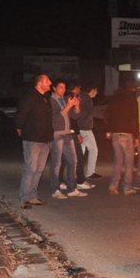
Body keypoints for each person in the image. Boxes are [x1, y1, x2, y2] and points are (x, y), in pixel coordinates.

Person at [15, 74, 53, 209]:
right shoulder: (29, 98)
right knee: (30, 169)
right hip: (32, 139)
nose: (50, 82)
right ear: (39, 83)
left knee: (39, 169)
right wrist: (24, 134)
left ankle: (33, 196)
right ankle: (24, 198)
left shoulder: (45, 99)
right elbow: (19, 118)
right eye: (47, 80)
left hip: (45, 140)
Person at [49, 79, 86, 199]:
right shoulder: (51, 101)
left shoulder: (65, 100)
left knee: (73, 161)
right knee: (56, 163)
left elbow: (75, 116)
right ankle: (56, 189)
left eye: (64, 87)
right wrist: (69, 105)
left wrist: (76, 105)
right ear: (54, 88)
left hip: (68, 134)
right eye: (60, 87)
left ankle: (72, 189)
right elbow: (57, 118)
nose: (63, 89)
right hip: (57, 134)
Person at [105, 83, 139, 195]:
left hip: (115, 133)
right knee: (129, 163)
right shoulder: (132, 101)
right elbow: (134, 119)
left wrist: (108, 130)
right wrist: (136, 136)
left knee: (118, 161)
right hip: (127, 133)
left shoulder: (114, 100)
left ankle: (113, 185)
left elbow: (107, 115)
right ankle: (127, 187)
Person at [77, 84, 101, 181]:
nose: (97, 93)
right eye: (96, 90)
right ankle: (90, 172)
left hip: (79, 128)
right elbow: (88, 113)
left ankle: (77, 173)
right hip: (85, 128)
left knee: (80, 152)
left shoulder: (80, 96)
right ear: (92, 90)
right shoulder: (87, 99)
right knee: (93, 150)